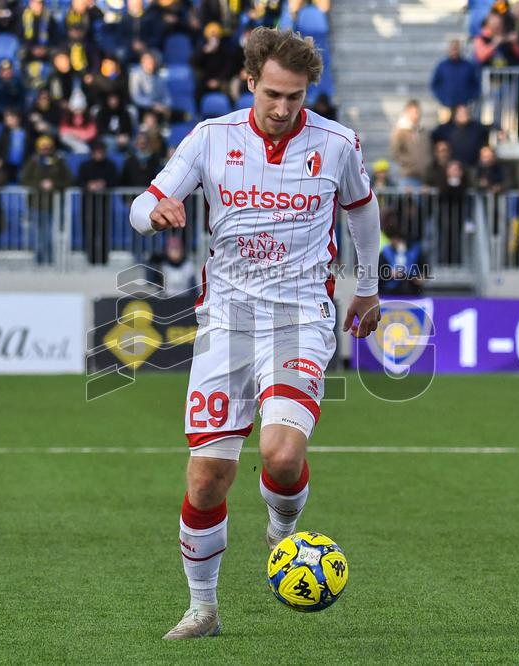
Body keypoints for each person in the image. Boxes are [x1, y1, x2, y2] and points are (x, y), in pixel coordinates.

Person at [128, 27, 380, 641]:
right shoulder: (211, 138)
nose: (283, 108)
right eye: (272, 94)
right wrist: (154, 214)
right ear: (249, 82)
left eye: (295, 97)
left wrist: (369, 286)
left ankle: (283, 529)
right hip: (226, 324)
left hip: (300, 319)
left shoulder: (337, 144)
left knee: (282, 455)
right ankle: (203, 610)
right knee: (206, 479)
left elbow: (363, 210)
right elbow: (142, 204)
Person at [20, 135, 72, 264]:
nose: (45, 150)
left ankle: (49, 259)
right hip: (35, 203)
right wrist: (40, 184)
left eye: (48, 147)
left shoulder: (59, 161)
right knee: (38, 233)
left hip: (54, 204)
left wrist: (53, 184)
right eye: (43, 147)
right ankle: (39, 259)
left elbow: (68, 180)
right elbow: (24, 180)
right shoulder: (33, 161)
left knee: (50, 233)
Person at [77, 139, 119, 264]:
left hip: (104, 204)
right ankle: (91, 259)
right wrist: (88, 185)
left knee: (104, 231)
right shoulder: (85, 165)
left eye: (101, 152)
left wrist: (104, 184)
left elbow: (115, 181)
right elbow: (79, 181)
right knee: (89, 231)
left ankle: (104, 259)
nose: (99, 154)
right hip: (88, 204)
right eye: (97, 151)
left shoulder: (110, 165)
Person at [388, 100, 430, 188]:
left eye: (419, 112)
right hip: (408, 176)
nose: (418, 115)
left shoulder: (423, 131)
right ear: (407, 112)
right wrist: (410, 163)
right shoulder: (400, 131)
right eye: (415, 112)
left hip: (424, 177)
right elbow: (395, 152)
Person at [430, 40, 480, 112]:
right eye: (452, 49)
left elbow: (475, 84)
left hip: (463, 107)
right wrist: (442, 98)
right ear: (449, 50)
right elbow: (434, 84)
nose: (454, 52)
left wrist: (469, 98)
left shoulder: (468, 66)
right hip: (446, 106)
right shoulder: (442, 66)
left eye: (456, 49)